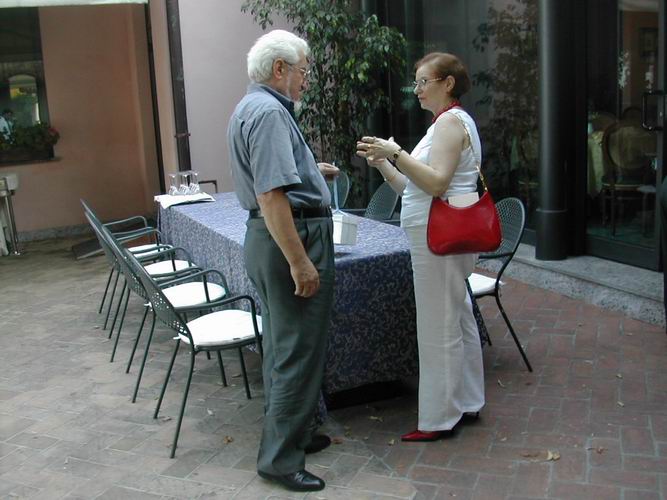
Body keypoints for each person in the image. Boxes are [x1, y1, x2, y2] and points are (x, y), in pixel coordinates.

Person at [227, 29, 339, 492]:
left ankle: (295, 435)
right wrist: (300, 261)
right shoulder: (271, 112)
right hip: (291, 238)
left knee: (281, 346)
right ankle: (279, 459)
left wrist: (311, 172)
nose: (306, 79)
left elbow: (273, 181)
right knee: (297, 352)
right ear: (279, 69)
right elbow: (272, 195)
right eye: (303, 70)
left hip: (270, 236)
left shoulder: (251, 106)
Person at [356, 52, 485, 441]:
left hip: (437, 235)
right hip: (436, 231)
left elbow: (437, 183)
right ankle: (467, 401)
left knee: (437, 325)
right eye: (416, 82)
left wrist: (395, 152)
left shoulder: (449, 123)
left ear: (448, 83)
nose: (417, 90)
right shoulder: (446, 123)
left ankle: (440, 418)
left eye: (424, 81)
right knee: (456, 316)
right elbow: (413, 188)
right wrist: (384, 162)